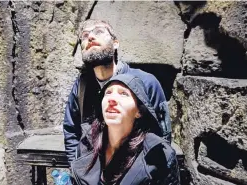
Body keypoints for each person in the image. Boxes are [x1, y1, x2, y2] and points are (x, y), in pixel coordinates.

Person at [63, 19, 171, 163]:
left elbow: (163, 135)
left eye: (99, 32)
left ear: (115, 43)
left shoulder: (145, 82)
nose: (90, 37)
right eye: (84, 35)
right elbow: (71, 131)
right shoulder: (82, 86)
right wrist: (75, 169)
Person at [70, 74, 180, 185]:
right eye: (108, 93)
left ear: (139, 111)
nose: (112, 99)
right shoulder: (86, 143)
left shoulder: (158, 154)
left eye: (124, 94)